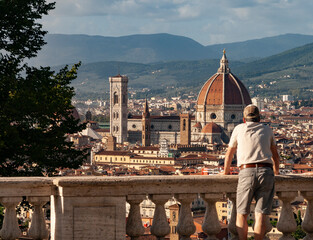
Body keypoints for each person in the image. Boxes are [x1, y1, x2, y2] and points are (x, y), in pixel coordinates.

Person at [222, 104, 280, 240]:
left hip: (246, 171)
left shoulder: (238, 129)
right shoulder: (267, 130)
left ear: (244, 119)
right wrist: (276, 172)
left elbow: (229, 152)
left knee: (241, 213)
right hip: (266, 172)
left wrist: (226, 171)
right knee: (260, 215)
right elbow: (276, 155)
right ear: (259, 118)